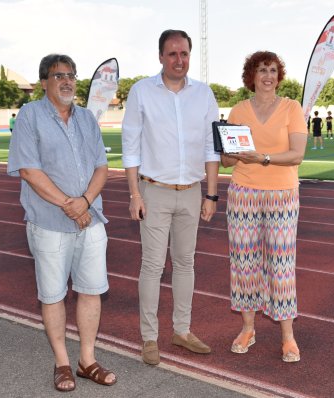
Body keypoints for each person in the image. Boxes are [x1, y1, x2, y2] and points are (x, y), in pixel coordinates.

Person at [7, 53, 117, 392]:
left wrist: (84, 202)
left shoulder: (86, 118)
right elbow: (28, 169)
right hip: (50, 223)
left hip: (91, 220)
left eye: (71, 74)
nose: (67, 81)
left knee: (91, 290)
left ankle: (86, 360)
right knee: (53, 295)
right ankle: (62, 362)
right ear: (44, 82)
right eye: (58, 76)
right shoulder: (30, 115)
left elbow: (102, 167)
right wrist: (69, 205)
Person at [121, 29, 219, 366]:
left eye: (184, 53)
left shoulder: (204, 94)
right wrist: (134, 194)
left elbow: (211, 147)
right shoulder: (142, 92)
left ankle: (182, 330)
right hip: (154, 191)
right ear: (161, 56)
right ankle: (150, 338)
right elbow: (130, 146)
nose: (180, 60)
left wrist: (212, 195)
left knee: (185, 263)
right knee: (152, 266)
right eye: (173, 53)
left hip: (191, 192)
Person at [220, 51, 307, 363]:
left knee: (281, 266)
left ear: (278, 75)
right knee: (244, 262)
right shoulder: (239, 110)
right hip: (243, 192)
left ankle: (288, 336)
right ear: (251, 77)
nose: (268, 76)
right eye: (261, 71)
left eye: (272, 70)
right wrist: (232, 152)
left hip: (282, 193)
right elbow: (227, 161)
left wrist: (264, 158)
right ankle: (247, 329)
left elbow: (297, 154)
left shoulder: (291, 108)